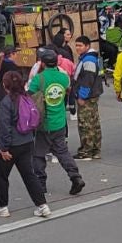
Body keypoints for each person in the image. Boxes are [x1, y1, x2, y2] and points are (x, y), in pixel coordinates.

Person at [0, 70, 50, 218]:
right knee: (29, 175)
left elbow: (4, 127)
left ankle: (2, 206)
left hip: (11, 146)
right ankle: (42, 205)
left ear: (5, 85)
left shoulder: (6, 102)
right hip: (27, 142)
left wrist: (3, 148)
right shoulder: (27, 98)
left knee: (1, 176)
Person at [28, 48, 84, 197]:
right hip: (59, 122)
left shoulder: (39, 78)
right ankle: (75, 177)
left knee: (38, 154)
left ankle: (41, 184)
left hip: (43, 123)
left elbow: (29, 95)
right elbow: (67, 90)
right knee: (62, 152)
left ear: (43, 63)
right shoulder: (64, 77)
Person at [72, 35, 104, 161]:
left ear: (87, 46)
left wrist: (81, 96)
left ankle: (86, 151)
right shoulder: (89, 58)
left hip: (87, 97)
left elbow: (88, 80)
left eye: (80, 45)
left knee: (86, 124)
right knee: (94, 122)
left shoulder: (88, 60)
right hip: (93, 95)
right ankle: (95, 150)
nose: (77, 48)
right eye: (76, 45)